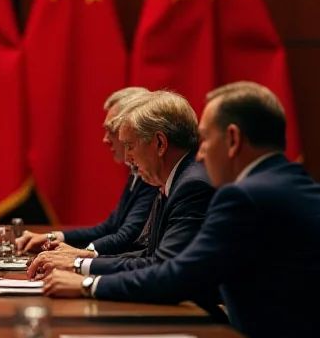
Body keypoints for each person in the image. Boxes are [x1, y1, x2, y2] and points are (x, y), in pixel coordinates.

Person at [43, 82, 320, 338]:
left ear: (233, 139)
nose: (200, 155)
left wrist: (86, 284)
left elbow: (178, 275)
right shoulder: (296, 183)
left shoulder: (242, 196)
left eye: (205, 139)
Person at [29, 90, 214, 279]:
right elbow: (146, 254)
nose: (127, 158)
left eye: (130, 146)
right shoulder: (173, 179)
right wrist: (82, 259)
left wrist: (84, 278)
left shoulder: (191, 186)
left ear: (160, 144)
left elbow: (161, 266)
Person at [16, 87, 157, 256]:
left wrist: (77, 255)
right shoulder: (137, 171)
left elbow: (127, 237)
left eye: (112, 131)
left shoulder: (152, 174)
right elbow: (110, 227)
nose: (105, 139)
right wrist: (52, 237)